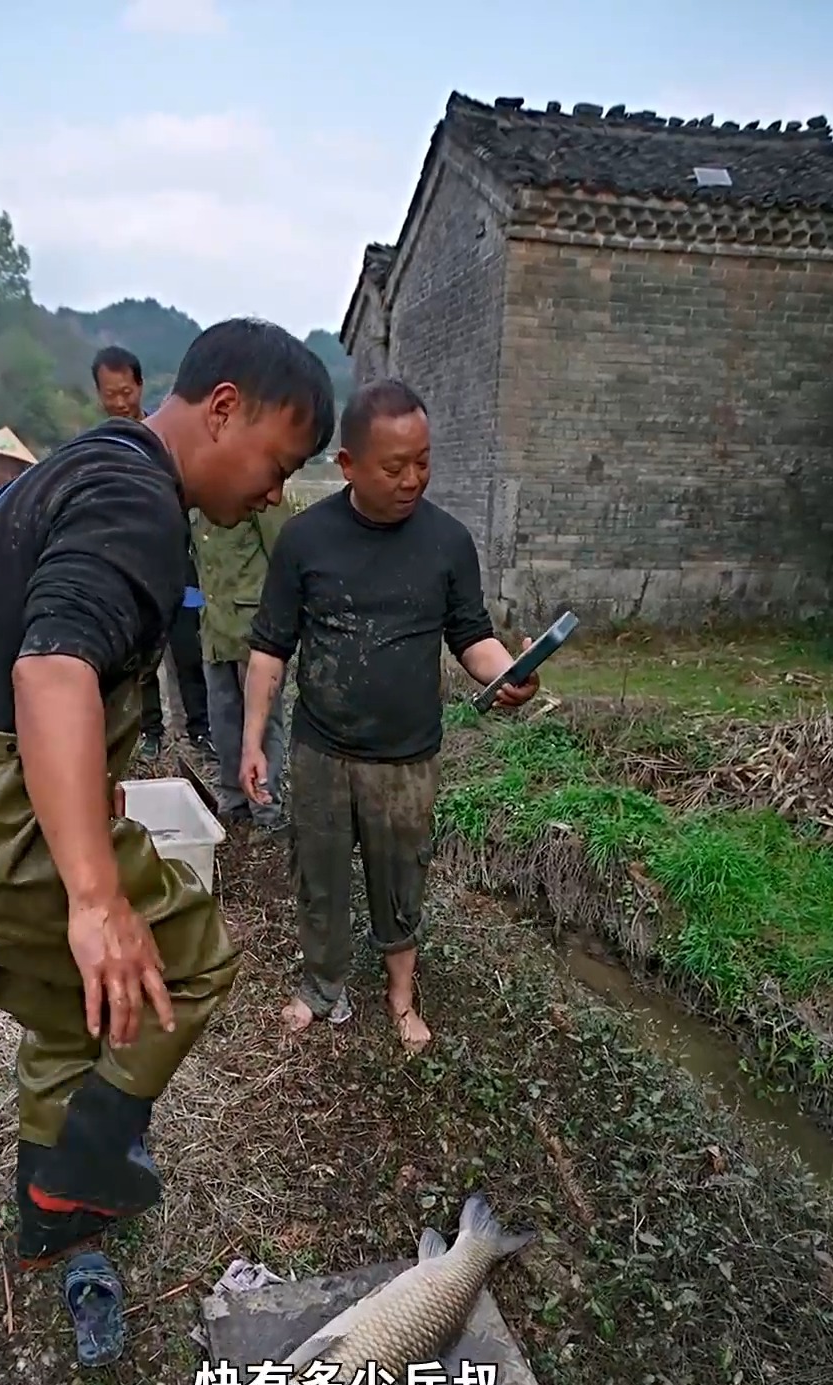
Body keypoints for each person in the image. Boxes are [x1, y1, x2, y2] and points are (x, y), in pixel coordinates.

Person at [0, 318, 334, 1364]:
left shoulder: (87, 464)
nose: (274, 494)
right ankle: (84, 1166)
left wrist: (93, 826)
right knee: (187, 956)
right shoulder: (137, 498)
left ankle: (51, 1215)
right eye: (277, 463)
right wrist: (94, 894)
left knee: (76, 1009)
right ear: (222, 409)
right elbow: (52, 671)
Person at [241, 378, 539, 1054]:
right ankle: (323, 986)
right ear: (348, 465)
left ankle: (401, 995)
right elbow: (268, 650)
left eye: (424, 461)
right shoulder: (304, 540)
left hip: (407, 757)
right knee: (318, 875)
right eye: (395, 466)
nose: (413, 479)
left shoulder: (447, 541)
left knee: (401, 876)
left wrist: (507, 672)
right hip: (321, 751)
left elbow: (472, 636)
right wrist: (253, 740)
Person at [91, 344, 212, 758]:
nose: (121, 402)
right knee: (139, 657)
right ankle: (150, 732)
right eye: (111, 394)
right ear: (99, 395)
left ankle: (199, 729)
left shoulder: (165, 440)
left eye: (127, 391)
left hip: (180, 565)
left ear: (140, 386)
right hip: (130, 568)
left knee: (188, 648)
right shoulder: (100, 447)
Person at [193, 500, 292, 830]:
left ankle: (266, 812)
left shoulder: (258, 498)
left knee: (263, 725)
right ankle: (234, 804)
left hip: (255, 633)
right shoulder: (197, 501)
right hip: (215, 632)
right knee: (223, 723)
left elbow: (285, 557)